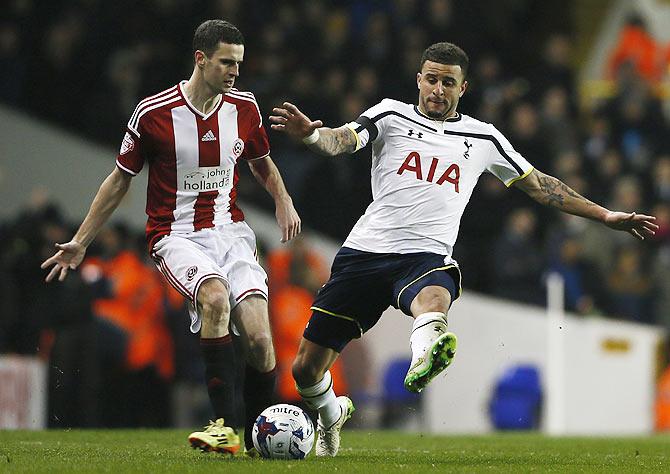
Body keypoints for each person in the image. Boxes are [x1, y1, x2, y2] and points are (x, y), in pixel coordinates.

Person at [269, 42, 658, 456]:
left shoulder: (483, 137)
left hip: (425, 256)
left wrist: (605, 215)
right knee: (305, 369)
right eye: (431, 79)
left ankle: (426, 351)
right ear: (419, 79)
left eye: (447, 82)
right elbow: (341, 141)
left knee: (434, 295)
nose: (437, 89)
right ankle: (330, 415)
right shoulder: (389, 114)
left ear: (463, 87)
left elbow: (541, 185)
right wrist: (311, 135)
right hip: (365, 252)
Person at [41, 19, 301, 455]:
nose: (235, 72)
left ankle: (261, 441)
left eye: (239, 63)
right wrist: (82, 240)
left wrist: (284, 200)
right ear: (200, 59)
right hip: (176, 235)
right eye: (226, 63)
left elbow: (261, 162)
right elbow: (119, 180)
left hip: (231, 232)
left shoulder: (245, 107)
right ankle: (223, 428)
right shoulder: (153, 113)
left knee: (260, 338)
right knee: (215, 299)